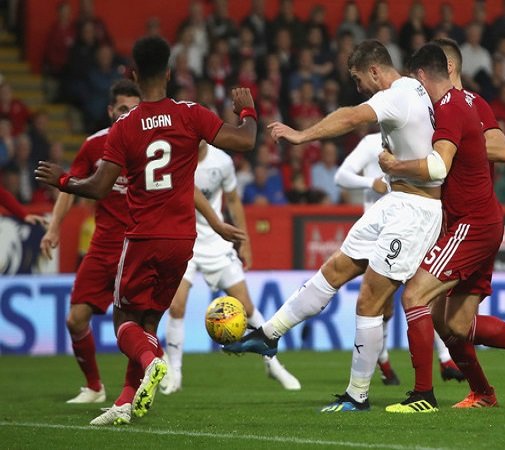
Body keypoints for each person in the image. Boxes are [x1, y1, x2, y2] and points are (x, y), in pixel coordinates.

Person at [35, 36, 257, 426]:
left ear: (134, 76)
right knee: (149, 322)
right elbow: (245, 140)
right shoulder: (192, 114)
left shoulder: (124, 127)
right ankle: (125, 400)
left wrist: (65, 181)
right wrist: (248, 111)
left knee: (124, 319)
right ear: (169, 73)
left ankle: (154, 361)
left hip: (141, 237)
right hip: (183, 240)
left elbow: (99, 187)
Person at [225, 40, 445, 412]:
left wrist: (301, 135)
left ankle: (357, 395)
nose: (359, 88)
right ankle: (269, 334)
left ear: (374, 71)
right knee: (336, 268)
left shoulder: (398, 94)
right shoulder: (409, 93)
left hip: (416, 210)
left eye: (359, 80)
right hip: (394, 201)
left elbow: (351, 116)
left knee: (370, 298)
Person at [379, 44, 505, 413]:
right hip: (471, 220)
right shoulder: (453, 107)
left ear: (437, 70)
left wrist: (406, 163)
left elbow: (498, 151)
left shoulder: (460, 105)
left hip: (472, 222)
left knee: (414, 297)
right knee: (451, 322)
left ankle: (423, 395)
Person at [161, 141, 300, 394]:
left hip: (217, 241)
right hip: (184, 240)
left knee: (246, 306)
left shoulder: (222, 161)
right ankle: (175, 374)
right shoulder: (174, 158)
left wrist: (244, 241)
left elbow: (234, 200)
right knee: (176, 305)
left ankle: (273, 364)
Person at [40, 80, 141, 404]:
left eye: (134, 109)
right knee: (75, 319)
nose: (128, 115)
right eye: (123, 109)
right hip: (103, 248)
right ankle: (95, 387)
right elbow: (70, 186)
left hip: (138, 247)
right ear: (111, 111)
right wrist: (54, 228)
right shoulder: (94, 145)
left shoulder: (150, 145)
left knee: (133, 327)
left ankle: (135, 389)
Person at [334, 131, 465, 384]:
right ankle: (382, 361)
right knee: (383, 306)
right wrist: (371, 183)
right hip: (379, 231)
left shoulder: (418, 141)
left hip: (413, 228)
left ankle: (445, 359)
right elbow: (341, 176)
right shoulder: (371, 142)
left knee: (426, 294)